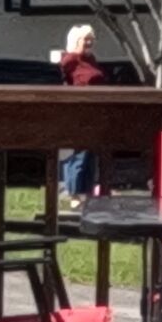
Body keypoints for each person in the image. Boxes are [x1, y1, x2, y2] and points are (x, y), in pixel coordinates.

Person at [52, 24, 108, 199]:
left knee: (91, 153)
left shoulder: (91, 60)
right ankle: (74, 193)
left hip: (95, 110)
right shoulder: (70, 60)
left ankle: (88, 192)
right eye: (86, 39)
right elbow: (60, 80)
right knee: (79, 152)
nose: (90, 43)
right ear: (76, 41)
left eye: (92, 39)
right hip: (79, 111)